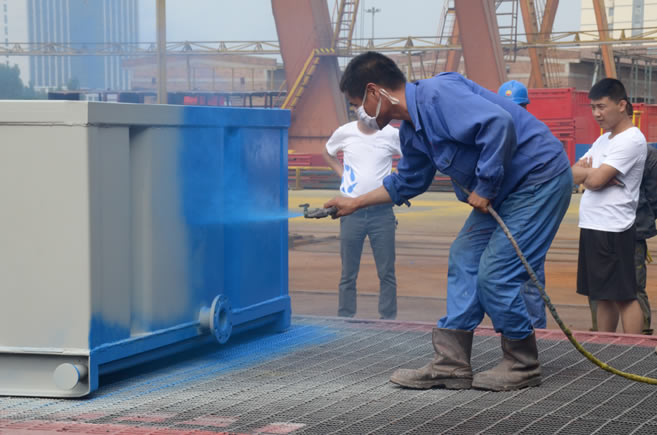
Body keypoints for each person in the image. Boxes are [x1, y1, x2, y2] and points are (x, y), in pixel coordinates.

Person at [325, 51, 572, 391]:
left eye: (358, 105)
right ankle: (451, 362)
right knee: (464, 256)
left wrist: (485, 186)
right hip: (504, 192)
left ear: (374, 92)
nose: (361, 114)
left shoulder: (438, 95)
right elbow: (406, 183)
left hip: (538, 179)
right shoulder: (412, 131)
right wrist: (354, 202)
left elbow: (498, 123)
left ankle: (522, 362)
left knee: (496, 273)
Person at [573, 78, 647, 335]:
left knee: (624, 296)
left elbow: (593, 180)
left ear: (622, 105)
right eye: (593, 107)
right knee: (601, 294)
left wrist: (591, 175)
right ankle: (604, 347)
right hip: (593, 224)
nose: (596, 114)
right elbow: (573, 174)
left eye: (602, 107)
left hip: (613, 227)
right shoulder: (603, 140)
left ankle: (632, 351)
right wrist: (592, 174)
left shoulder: (631, 140)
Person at [322, 119, 401, 320]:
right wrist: (344, 175)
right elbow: (328, 153)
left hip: (382, 213)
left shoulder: (391, 134)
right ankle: (345, 317)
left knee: (386, 272)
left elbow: (411, 157)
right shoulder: (345, 132)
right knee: (348, 273)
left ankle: (388, 318)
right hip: (351, 214)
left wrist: (397, 178)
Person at [589, 144, 657, 335]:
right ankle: (636, 337)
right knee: (625, 287)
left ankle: (630, 338)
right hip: (615, 228)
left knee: (617, 288)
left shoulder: (647, 154)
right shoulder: (602, 147)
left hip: (620, 229)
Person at [498, 79, 548, 330]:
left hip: (531, 219)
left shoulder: (537, 136)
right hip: (503, 219)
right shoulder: (496, 135)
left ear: (526, 108)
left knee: (530, 281)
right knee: (502, 280)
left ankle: (536, 335)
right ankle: (513, 333)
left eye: (517, 107)